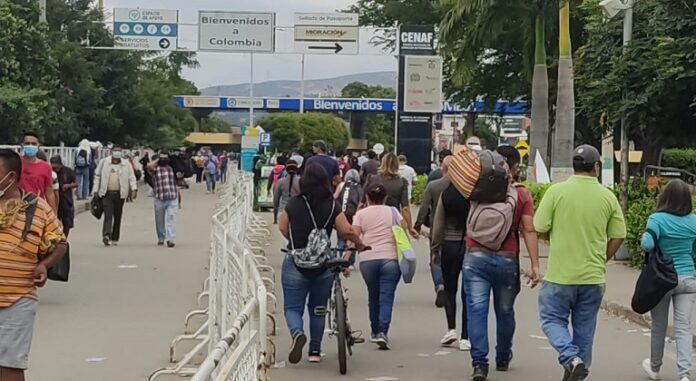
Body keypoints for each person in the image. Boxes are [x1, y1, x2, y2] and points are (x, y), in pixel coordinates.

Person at [535, 144, 626, 381]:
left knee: (551, 319)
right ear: (596, 166)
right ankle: (578, 367)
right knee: (584, 330)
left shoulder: (556, 192)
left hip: (560, 275)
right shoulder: (608, 196)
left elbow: (539, 227)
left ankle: (570, 358)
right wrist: (602, 258)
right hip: (593, 277)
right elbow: (619, 235)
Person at [463, 145, 541, 381]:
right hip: (507, 258)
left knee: (476, 311)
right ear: (516, 167)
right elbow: (528, 229)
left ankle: (479, 364)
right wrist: (535, 264)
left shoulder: (476, 188)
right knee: (505, 311)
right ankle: (503, 356)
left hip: (475, 255)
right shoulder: (522, 194)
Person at [278, 163, 368, 364]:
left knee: (293, 307)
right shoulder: (332, 205)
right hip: (323, 264)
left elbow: (282, 227)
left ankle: (297, 333)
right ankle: (315, 352)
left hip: (295, 261)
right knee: (318, 308)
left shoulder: (294, 203)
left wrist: (296, 242)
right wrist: (360, 245)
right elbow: (346, 231)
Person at [0, 149, 67, 381]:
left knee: (10, 364)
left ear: (10, 177)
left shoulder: (37, 208)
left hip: (18, 300)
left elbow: (60, 243)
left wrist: (44, 265)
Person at [639, 179, 696, 381]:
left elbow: (647, 244)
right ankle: (685, 375)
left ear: (665, 197)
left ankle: (654, 368)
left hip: (662, 280)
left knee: (659, 325)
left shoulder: (657, 219)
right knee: (683, 328)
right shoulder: (694, 221)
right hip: (688, 279)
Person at [352, 183, 404, 350]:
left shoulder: (360, 214)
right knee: (386, 296)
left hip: (368, 259)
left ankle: (374, 331)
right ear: (385, 198)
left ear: (367, 197)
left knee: (372, 295)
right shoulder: (394, 212)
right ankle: (382, 331)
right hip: (390, 258)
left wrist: (347, 257)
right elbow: (401, 232)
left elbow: (354, 237)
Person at [431, 179, 470, 351]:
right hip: (469, 246)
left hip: (449, 245)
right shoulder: (474, 195)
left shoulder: (446, 195)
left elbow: (438, 224)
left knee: (450, 289)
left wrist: (435, 249)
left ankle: (451, 328)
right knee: (468, 292)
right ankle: (466, 336)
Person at [414, 156, 453, 308]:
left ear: (442, 168)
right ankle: (450, 288)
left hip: (436, 229)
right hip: (457, 231)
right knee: (453, 262)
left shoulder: (433, 186)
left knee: (435, 259)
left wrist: (417, 226)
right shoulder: (462, 186)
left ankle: (439, 284)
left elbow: (424, 208)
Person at [364, 153, 418, 239]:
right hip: (392, 220)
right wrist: (410, 227)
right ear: (396, 165)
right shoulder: (402, 182)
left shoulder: (371, 179)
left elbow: (362, 202)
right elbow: (405, 208)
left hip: (373, 219)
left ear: (382, 163)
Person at [93, 146, 138, 246]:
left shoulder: (126, 164)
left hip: (120, 194)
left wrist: (134, 188)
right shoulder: (104, 162)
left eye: (119, 151)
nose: (117, 153)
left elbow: (131, 177)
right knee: (108, 215)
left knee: (117, 216)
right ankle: (106, 235)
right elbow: (97, 176)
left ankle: (115, 237)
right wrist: (95, 190)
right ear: (111, 152)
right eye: (115, 151)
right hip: (106, 193)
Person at [18, 132, 57, 214]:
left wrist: (54, 215)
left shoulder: (46, 167)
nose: (30, 146)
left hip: (37, 210)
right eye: (27, 143)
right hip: (17, 209)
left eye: (33, 144)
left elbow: (49, 192)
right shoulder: (15, 163)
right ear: (22, 145)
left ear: (38, 146)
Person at [148, 152, 179, 248]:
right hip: (159, 198)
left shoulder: (171, 168)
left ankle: (170, 239)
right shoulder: (155, 170)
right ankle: (161, 238)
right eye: (162, 159)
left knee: (171, 218)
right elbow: (149, 166)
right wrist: (159, 159)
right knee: (159, 220)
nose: (164, 160)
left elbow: (180, 172)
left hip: (172, 196)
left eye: (165, 159)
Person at [50, 156, 77, 238]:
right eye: (53, 166)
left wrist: (68, 186)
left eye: (57, 166)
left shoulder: (68, 171)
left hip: (66, 201)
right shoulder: (50, 172)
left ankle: (64, 239)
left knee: (67, 224)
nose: (55, 168)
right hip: (54, 202)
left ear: (61, 164)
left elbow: (76, 183)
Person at [273, 160, 301, 224]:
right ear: (297, 169)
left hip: (283, 211)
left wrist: (275, 217)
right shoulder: (301, 181)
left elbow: (276, 200)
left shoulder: (280, 182)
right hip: (297, 211)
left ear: (286, 169)